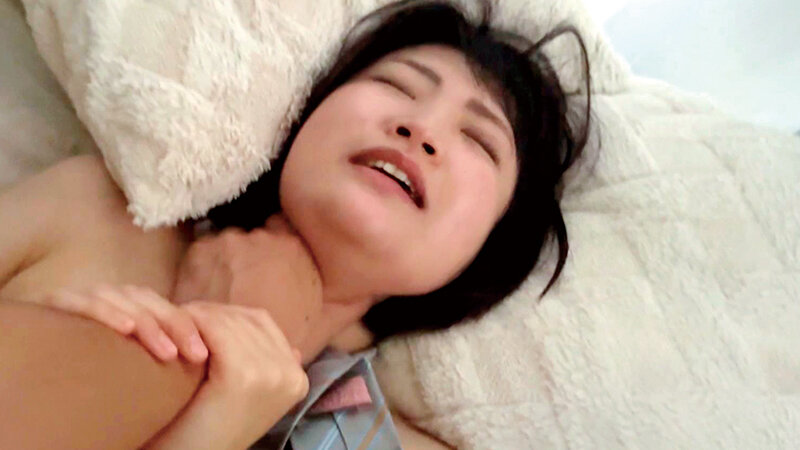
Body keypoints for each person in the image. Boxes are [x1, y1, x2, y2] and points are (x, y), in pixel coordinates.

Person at [0, 0, 591, 448]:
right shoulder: (93, 205)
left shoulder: (379, 440)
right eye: (394, 85)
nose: (420, 128)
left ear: (488, 254)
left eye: (479, 141)